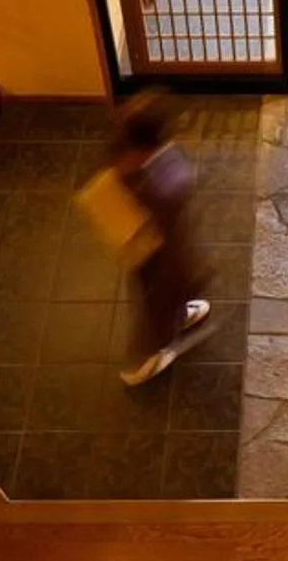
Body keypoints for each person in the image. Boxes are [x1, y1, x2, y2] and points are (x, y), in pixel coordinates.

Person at [88, 90, 213, 386]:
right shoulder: (162, 185)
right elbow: (175, 236)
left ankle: (179, 315)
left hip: (143, 243)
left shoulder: (121, 155)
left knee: (161, 297)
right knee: (158, 302)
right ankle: (142, 362)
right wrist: (192, 271)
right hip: (160, 253)